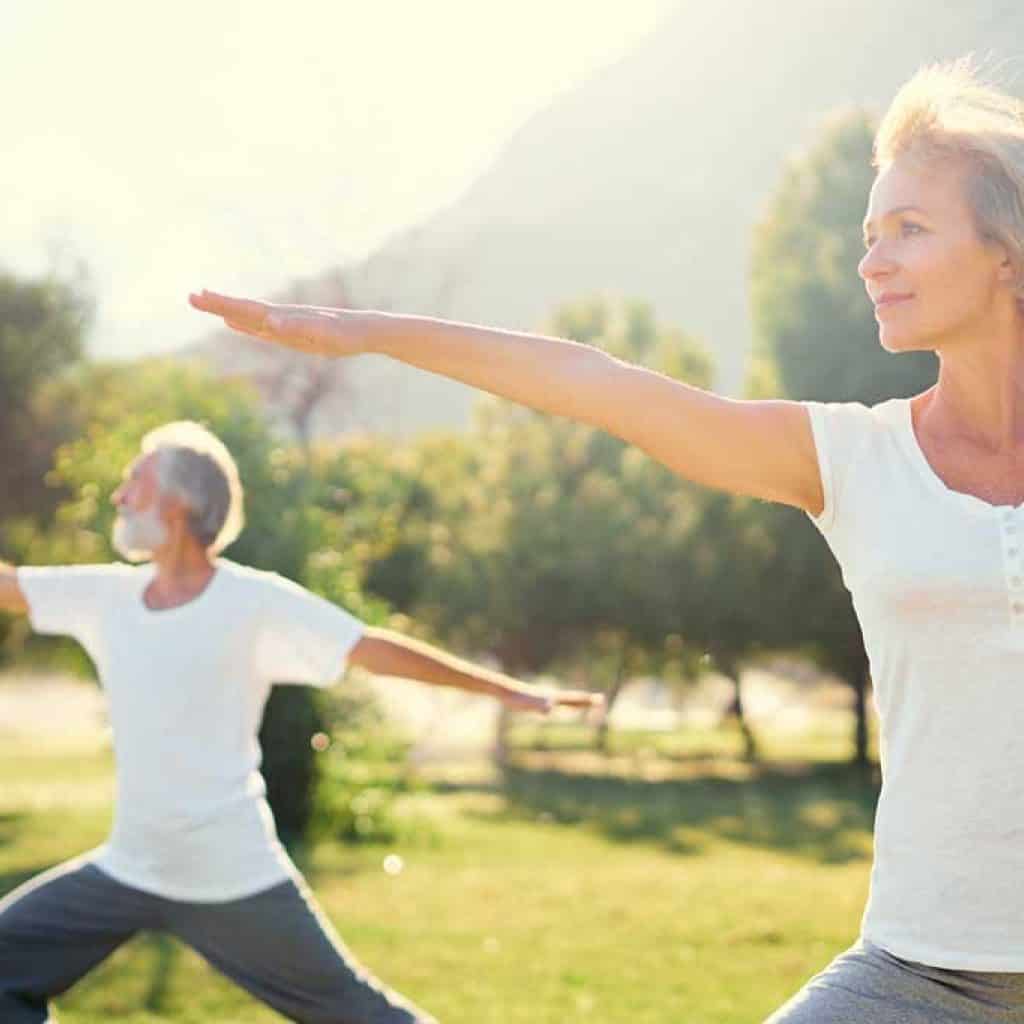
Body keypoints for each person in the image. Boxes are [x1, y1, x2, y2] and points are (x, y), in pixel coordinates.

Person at [191, 58, 1024, 1022]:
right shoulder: (853, 459)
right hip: (917, 971)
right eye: (868, 235)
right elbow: (602, 387)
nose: (871, 262)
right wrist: (369, 328)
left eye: (909, 231)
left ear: (1005, 251)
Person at [0, 421, 601, 1024]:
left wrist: (507, 690)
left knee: (358, 1014)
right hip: (131, 865)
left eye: (136, 480)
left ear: (179, 504)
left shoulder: (251, 602)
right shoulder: (108, 597)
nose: (119, 494)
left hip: (231, 874)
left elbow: (370, 648)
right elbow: (8, 587)